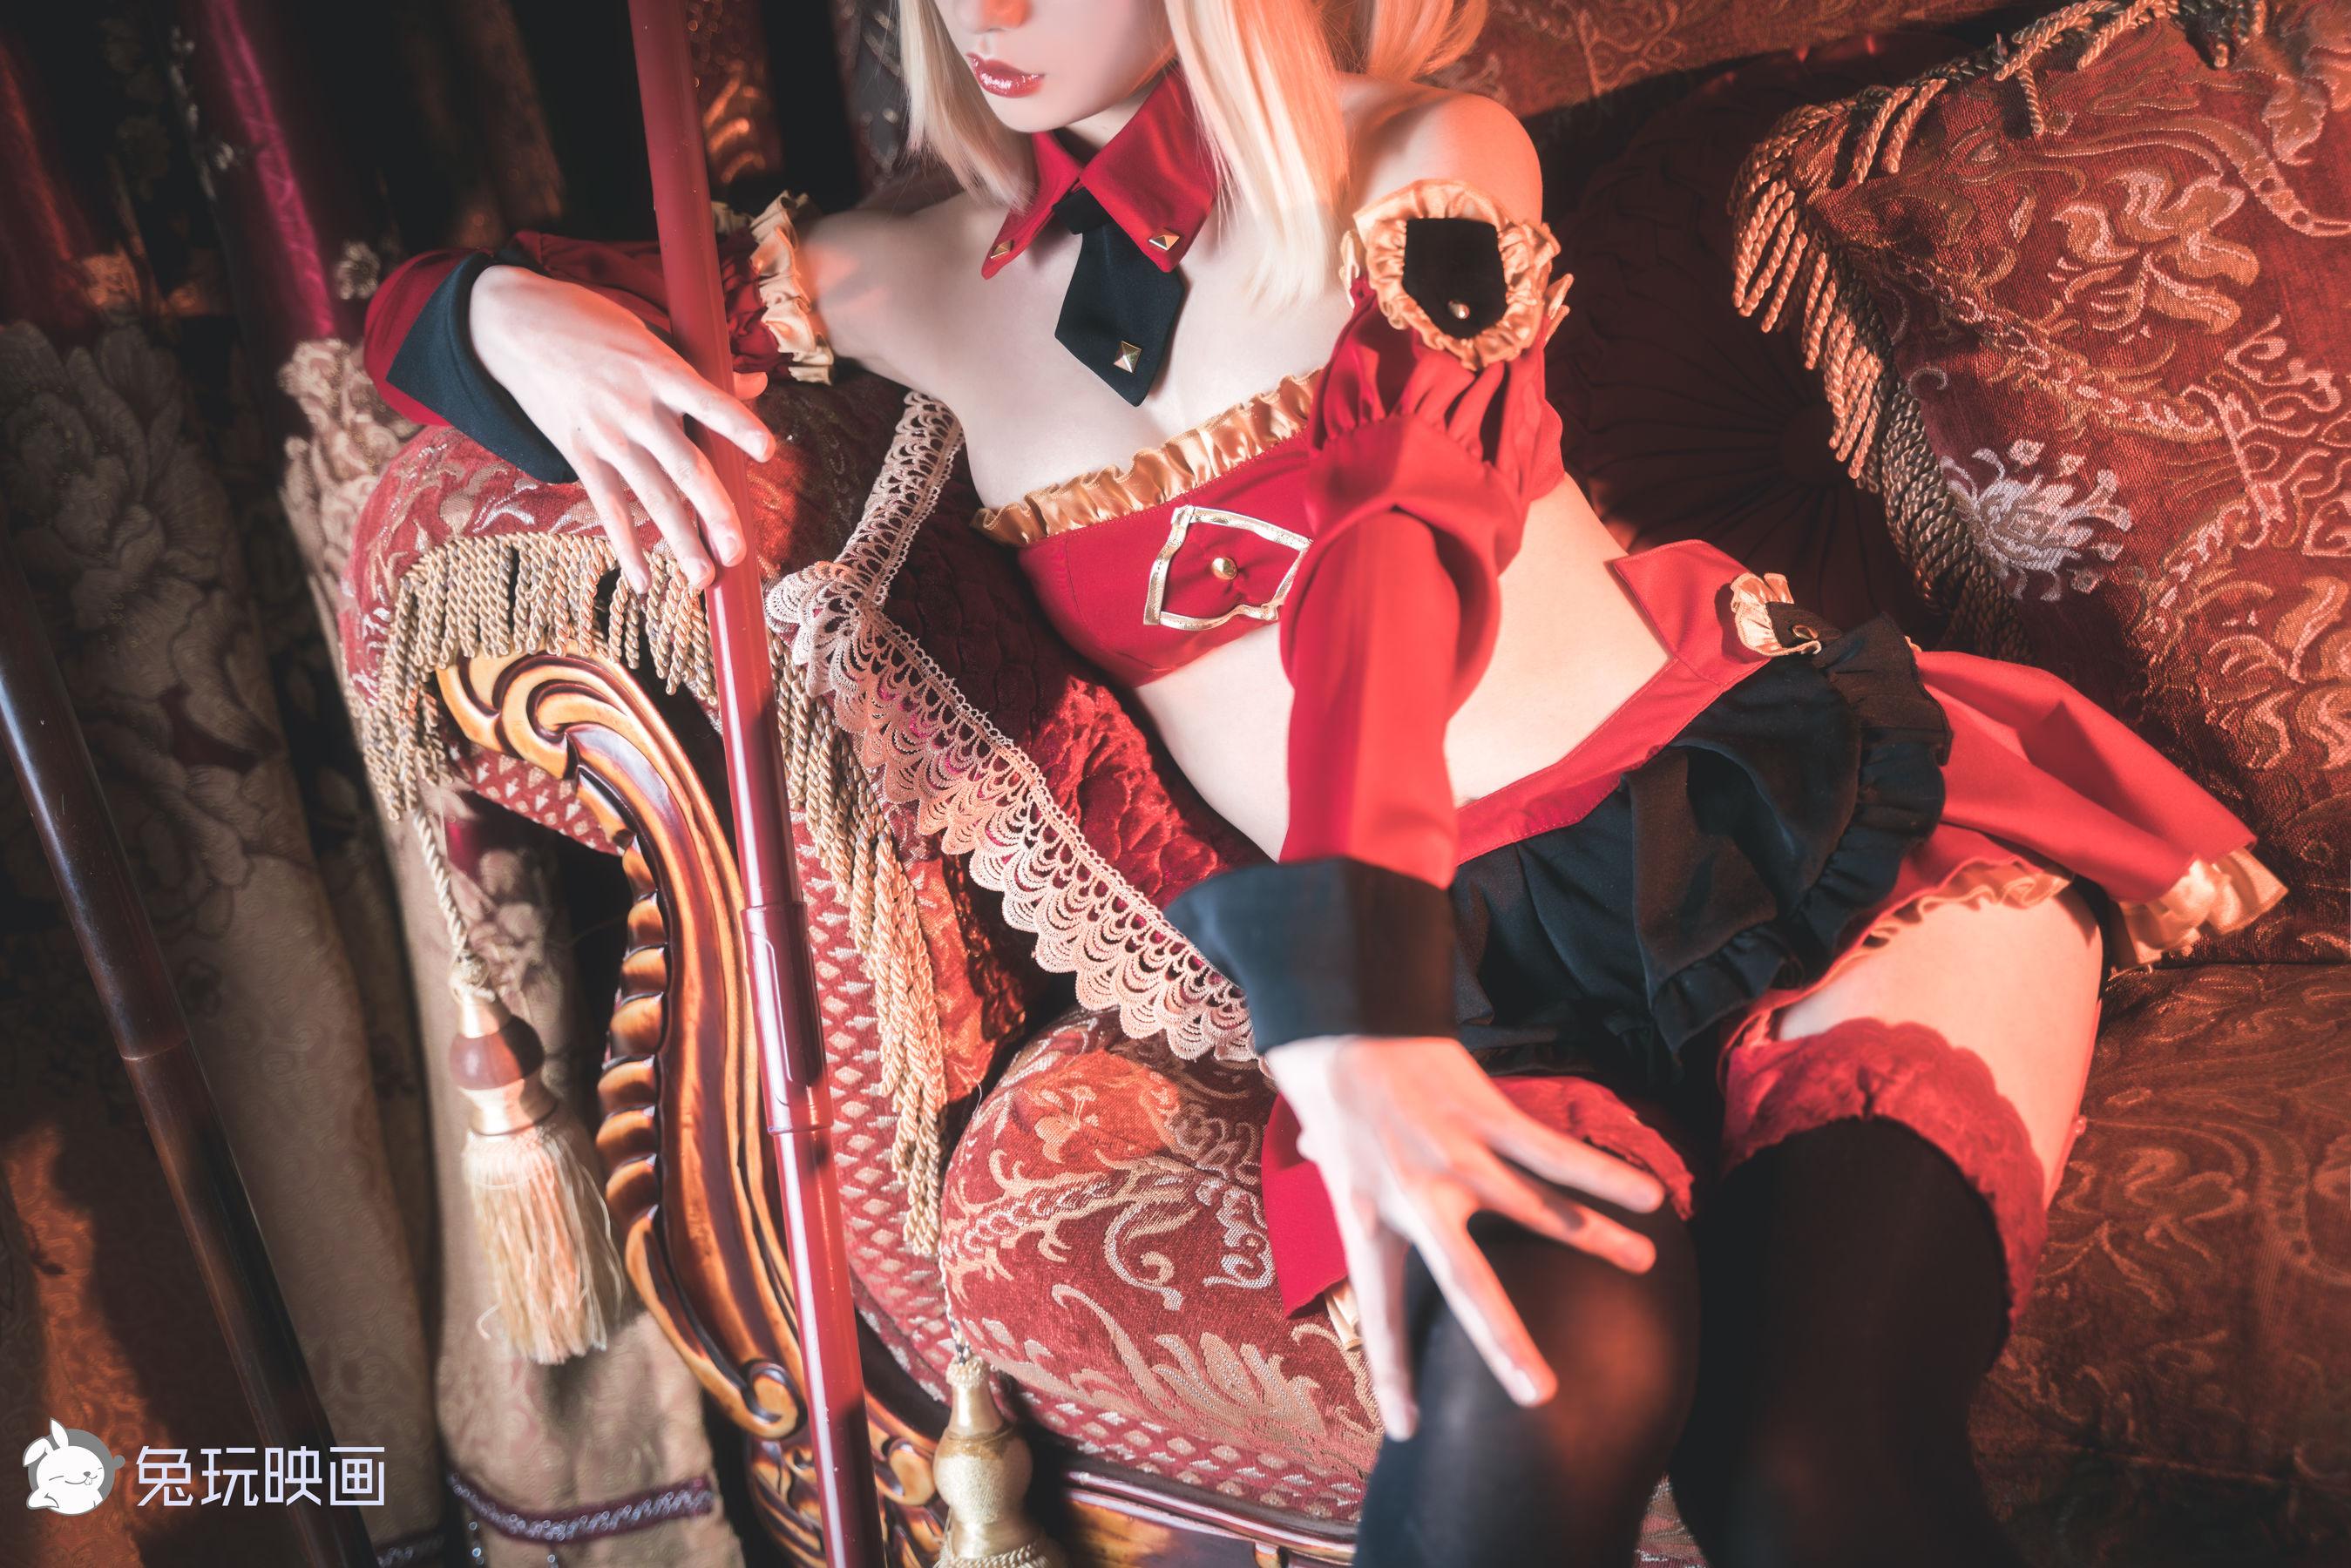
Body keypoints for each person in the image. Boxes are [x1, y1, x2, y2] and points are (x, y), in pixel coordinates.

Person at [362, 2, 2287, 1563]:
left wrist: (1347, 997)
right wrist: (493, 314)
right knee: (1543, 1408)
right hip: (1456, 964)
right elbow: (425, 309)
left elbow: (1397, 547)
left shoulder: (1429, 159)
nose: (988, 11)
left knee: (1803, 1459)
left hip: (1783, 832)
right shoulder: (888, 276)